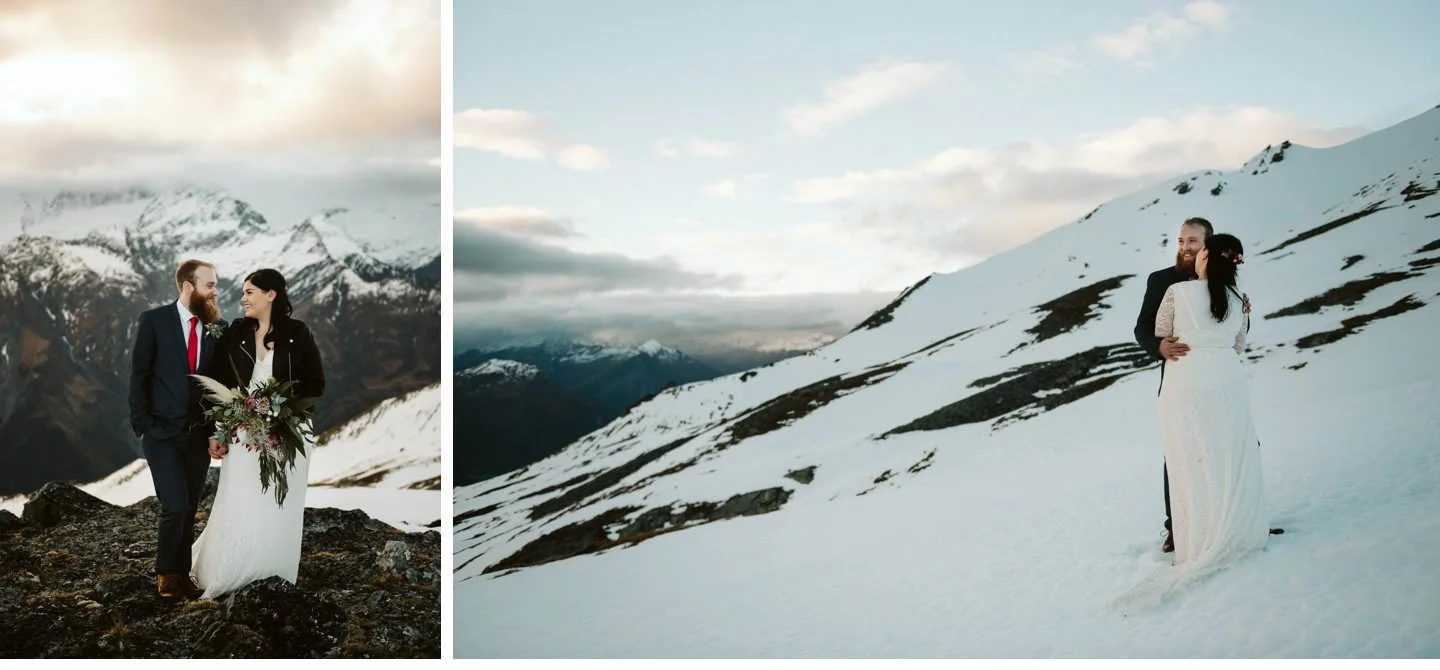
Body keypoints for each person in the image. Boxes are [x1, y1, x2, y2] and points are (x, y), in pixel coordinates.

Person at [1111, 233, 1268, 614]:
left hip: (1187, 378)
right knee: (1230, 450)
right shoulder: (1238, 300)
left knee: (1188, 454)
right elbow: (1239, 344)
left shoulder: (1177, 292)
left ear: (1207, 255)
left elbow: (1162, 331)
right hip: (1227, 377)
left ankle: (1197, 533)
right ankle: (1235, 524)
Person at [191, 268, 325, 599]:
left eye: (250, 292)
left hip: (288, 434)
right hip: (243, 433)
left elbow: (315, 383)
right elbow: (217, 381)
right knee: (239, 498)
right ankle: (229, 570)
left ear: (271, 295)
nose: (244, 299)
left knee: (280, 502)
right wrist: (219, 429)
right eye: (244, 293)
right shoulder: (237, 332)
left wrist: (281, 410)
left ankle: (272, 570)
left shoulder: (297, 333)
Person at [1133, 217, 1249, 552]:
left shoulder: (1227, 282)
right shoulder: (1161, 280)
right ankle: (1177, 526)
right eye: (1181, 241)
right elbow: (1142, 327)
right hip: (1181, 377)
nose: (1185, 247)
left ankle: (1236, 516)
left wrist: (1244, 312)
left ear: (1207, 245)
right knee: (1179, 450)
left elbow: (1232, 334)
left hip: (1221, 379)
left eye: (1193, 241)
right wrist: (1158, 346)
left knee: (1234, 444)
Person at [128, 259, 226, 601]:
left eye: (215, 285)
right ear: (188, 286)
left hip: (198, 436)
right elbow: (139, 374)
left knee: (189, 506)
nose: (215, 291)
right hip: (161, 434)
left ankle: (182, 574)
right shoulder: (154, 321)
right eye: (209, 285)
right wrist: (144, 425)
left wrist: (216, 431)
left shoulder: (218, 327)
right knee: (175, 505)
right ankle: (166, 574)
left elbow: (217, 384)